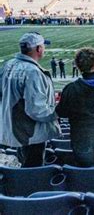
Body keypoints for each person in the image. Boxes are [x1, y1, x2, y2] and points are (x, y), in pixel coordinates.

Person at [0, 33, 60, 167]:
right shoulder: (32, 72)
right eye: (43, 46)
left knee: (24, 163)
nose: (44, 48)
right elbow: (36, 110)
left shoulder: (8, 65)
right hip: (30, 132)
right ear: (38, 49)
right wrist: (58, 112)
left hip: (14, 128)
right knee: (33, 171)